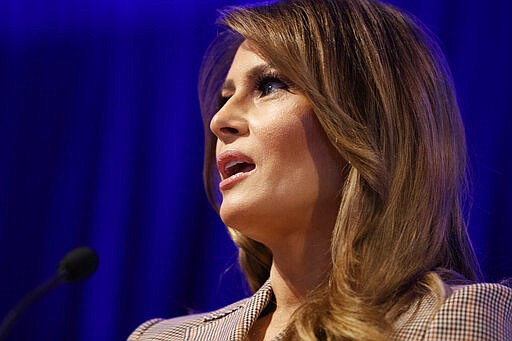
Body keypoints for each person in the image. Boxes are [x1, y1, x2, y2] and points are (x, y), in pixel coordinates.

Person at [129, 0, 512, 340]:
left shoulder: (450, 320)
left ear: (368, 124)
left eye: (270, 85)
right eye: (225, 97)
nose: (219, 121)